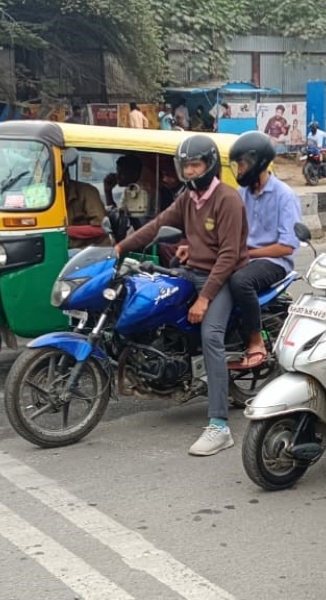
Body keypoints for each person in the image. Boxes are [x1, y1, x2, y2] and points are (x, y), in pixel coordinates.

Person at [115, 136, 249, 456]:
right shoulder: (189, 197)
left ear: (210, 165)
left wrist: (205, 299)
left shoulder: (227, 200)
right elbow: (158, 224)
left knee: (211, 336)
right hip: (193, 271)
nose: (189, 171)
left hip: (222, 278)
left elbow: (229, 256)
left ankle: (219, 426)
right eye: (185, 166)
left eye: (195, 165)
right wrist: (122, 246)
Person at [224, 131, 302, 371]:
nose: (239, 171)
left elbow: (287, 246)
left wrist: (247, 254)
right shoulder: (241, 195)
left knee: (240, 282)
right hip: (245, 257)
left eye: (242, 164)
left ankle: (256, 342)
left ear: (258, 161)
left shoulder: (284, 196)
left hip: (274, 262)